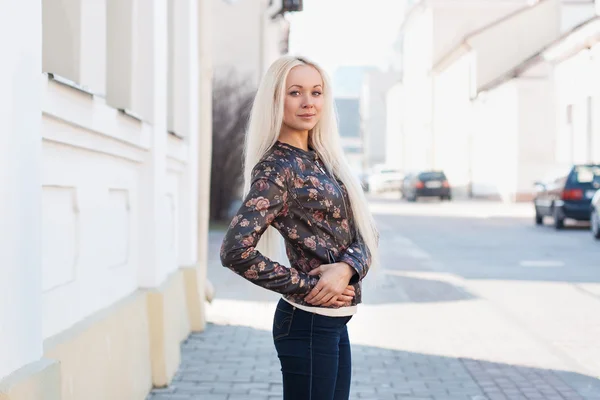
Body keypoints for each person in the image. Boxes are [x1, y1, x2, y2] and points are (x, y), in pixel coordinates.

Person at [220, 55, 379, 400]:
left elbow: (367, 233)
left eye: (316, 92)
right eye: (296, 92)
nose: (309, 102)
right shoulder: (277, 169)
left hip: (332, 322)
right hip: (307, 323)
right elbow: (235, 250)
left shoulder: (324, 159)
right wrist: (308, 285)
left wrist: (345, 269)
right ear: (276, 99)